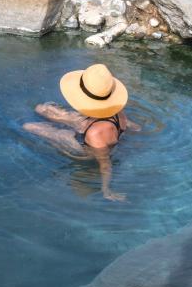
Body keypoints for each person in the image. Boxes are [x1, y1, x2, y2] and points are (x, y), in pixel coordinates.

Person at [24, 63, 139, 201]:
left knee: (29, 126)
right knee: (41, 108)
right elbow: (132, 126)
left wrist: (106, 190)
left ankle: (65, 130)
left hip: (84, 147)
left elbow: (105, 163)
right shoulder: (116, 109)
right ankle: (67, 121)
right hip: (97, 121)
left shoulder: (95, 134)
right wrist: (135, 129)